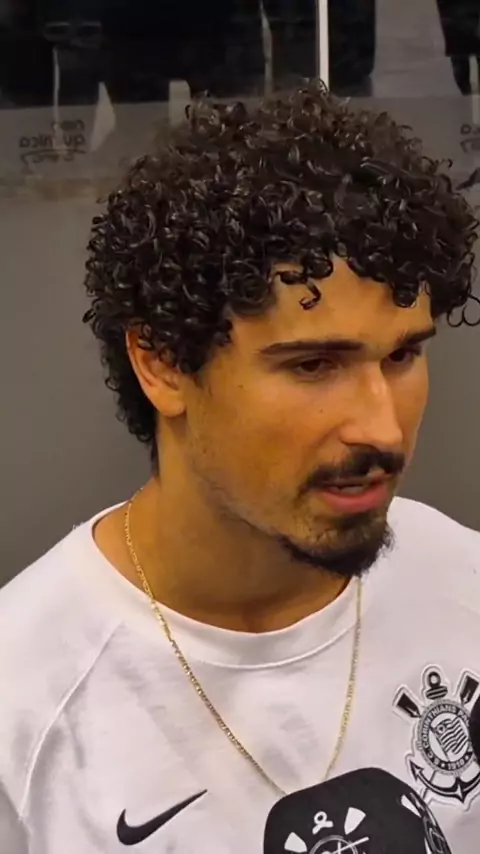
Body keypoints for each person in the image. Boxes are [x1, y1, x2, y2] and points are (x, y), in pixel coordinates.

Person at [1, 81, 480, 853]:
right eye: (314, 365)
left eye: (402, 357)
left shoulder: (465, 589)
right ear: (162, 363)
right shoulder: (25, 705)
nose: (382, 429)